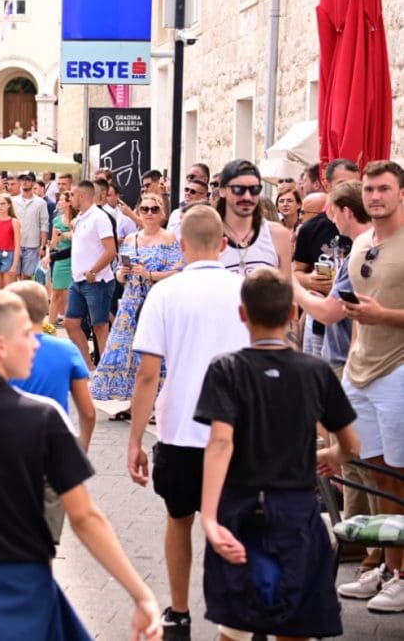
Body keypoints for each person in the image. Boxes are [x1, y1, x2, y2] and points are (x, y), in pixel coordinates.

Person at [0, 290, 162, 640]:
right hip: (24, 593)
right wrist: (140, 594)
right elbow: (85, 517)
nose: (36, 342)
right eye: (26, 334)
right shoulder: (44, 418)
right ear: (0, 345)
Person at [196, 267, 359, 640]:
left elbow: (220, 442)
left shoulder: (226, 368)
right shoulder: (316, 371)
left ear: (242, 314)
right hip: (296, 511)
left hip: (241, 507)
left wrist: (208, 515)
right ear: (292, 313)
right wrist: (332, 456)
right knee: (295, 624)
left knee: (234, 627)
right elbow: (352, 445)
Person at [126, 208, 250, 639]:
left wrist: (135, 439)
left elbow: (147, 374)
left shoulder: (165, 293)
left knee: (178, 518)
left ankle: (179, 611)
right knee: (236, 523)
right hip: (235, 429)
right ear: (223, 245)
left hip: (180, 425)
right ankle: (235, 617)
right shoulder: (244, 289)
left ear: (181, 246)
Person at [292, 181, 383, 578]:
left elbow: (330, 313)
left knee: (361, 459)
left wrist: (294, 288)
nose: (328, 219)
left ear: (344, 211)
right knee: (354, 461)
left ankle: (374, 548)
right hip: (349, 359)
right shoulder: (365, 247)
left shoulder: (363, 250)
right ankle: (359, 540)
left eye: (330, 210)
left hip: (352, 362)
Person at [335, 160, 404, 612]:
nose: (375, 197)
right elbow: (357, 310)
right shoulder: (361, 243)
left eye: (383, 189)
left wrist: (383, 316)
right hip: (360, 370)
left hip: (398, 370)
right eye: (369, 190)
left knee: (397, 474)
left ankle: (400, 575)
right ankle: (385, 564)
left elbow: (377, 311)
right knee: (376, 472)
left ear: (401, 193)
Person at [5, 280, 96, 549]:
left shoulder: (1, 350)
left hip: (7, 452)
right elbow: (88, 412)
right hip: (52, 453)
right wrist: (81, 445)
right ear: (45, 309)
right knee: (45, 540)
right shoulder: (66, 350)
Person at [90, 192, 184, 419]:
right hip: (131, 303)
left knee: (157, 353)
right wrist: (122, 273)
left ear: (162, 213)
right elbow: (119, 274)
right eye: (145, 209)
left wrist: (150, 274)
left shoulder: (170, 239)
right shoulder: (131, 239)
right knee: (130, 353)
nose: (149, 213)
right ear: (139, 212)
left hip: (157, 302)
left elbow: (179, 271)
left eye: (154, 209)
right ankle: (134, 404)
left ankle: (158, 406)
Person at [293, 158, 359, 359]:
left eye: (355, 184)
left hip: (352, 324)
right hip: (319, 323)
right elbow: (297, 271)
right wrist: (309, 280)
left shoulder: (368, 228)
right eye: (343, 184)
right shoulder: (311, 229)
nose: (349, 190)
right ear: (327, 185)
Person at [65, 180, 118, 364]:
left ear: (81, 196)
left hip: (97, 281)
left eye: (72, 195)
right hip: (78, 280)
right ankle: (89, 367)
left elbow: (111, 250)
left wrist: (93, 270)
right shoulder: (80, 217)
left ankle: (105, 371)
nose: (69, 198)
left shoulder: (99, 217)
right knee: (70, 323)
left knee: (100, 327)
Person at [215, 159, 291, 276]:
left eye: (254, 189)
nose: (247, 196)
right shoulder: (206, 237)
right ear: (222, 191)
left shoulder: (277, 234)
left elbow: (287, 283)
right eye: (238, 189)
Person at [12, 173, 50, 282]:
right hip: (15, 244)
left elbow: (44, 225)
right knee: (14, 275)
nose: (24, 182)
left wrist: (42, 247)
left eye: (28, 180)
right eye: (22, 180)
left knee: (27, 276)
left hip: (32, 245)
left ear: (33, 183)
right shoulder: (13, 200)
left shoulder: (41, 203)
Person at [46, 191, 76, 326]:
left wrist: (65, 235)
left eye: (63, 200)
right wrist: (56, 240)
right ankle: (50, 324)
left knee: (71, 293)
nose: (59, 202)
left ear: (69, 202)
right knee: (56, 292)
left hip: (74, 259)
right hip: (60, 259)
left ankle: (70, 323)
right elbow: (53, 244)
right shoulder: (57, 220)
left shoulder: (77, 220)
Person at [0, 194, 22, 288]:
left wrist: (14, 265)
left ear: (9, 205)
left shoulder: (14, 222)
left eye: (3, 203)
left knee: (7, 287)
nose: (0, 206)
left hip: (9, 255)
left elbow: (17, 244)